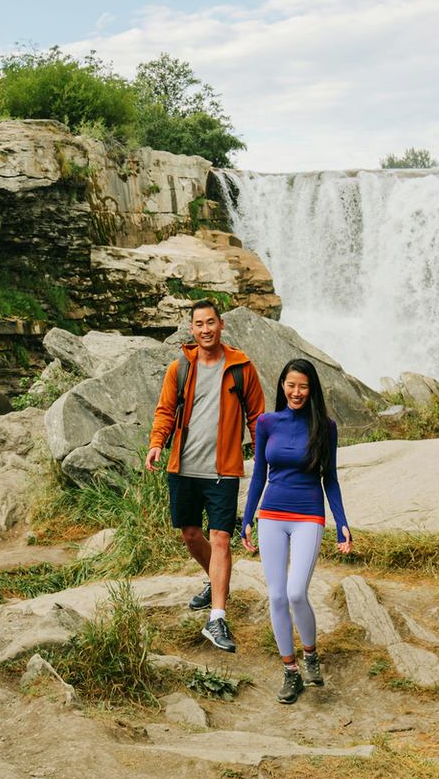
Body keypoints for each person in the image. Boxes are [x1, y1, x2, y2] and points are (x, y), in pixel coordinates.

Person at [144, 300, 265, 652]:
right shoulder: (180, 367)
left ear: (221, 324)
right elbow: (165, 409)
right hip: (183, 466)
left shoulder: (241, 367)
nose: (206, 329)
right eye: (199, 324)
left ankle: (217, 618)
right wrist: (156, 444)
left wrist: (262, 454)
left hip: (222, 470)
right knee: (190, 534)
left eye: (211, 322)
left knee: (221, 538)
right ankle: (216, 580)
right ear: (192, 329)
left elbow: (256, 416)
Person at [239, 357, 352, 703]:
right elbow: (259, 473)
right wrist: (245, 519)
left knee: (296, 593)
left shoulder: (325, 427)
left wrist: (342, 523)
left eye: (303, 386)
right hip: (270, 515)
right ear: (282, 386)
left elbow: (329, 479)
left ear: (312, 389)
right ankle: (290, 672)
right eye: (291, 385)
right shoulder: (266, 422)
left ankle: (311, 655)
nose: (296, 392)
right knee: (275, 595)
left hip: (308, 516)